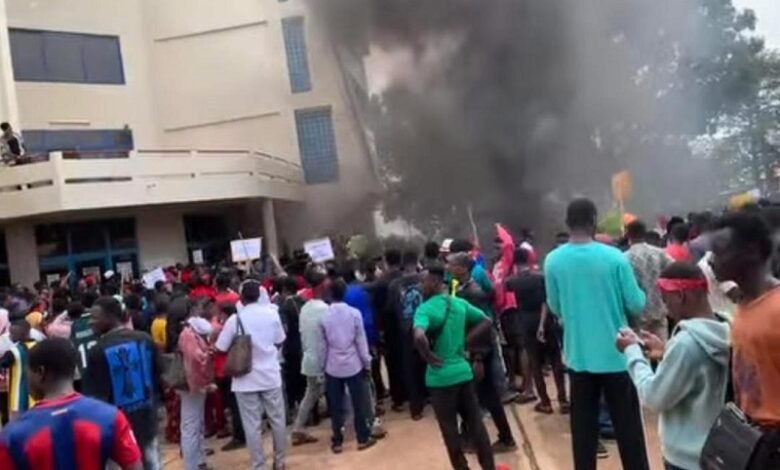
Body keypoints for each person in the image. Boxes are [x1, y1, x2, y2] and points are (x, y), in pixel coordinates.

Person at [544, 198, 650, 470]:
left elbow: (555, 307)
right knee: (628, 428)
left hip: (578, 356)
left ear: (568, 223)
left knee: (583, 428)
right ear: (593, 221)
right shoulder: (614, 257)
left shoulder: (553, 260)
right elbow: (637, 303)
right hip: (618, 355)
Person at [616, 262, 730, 470]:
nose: (666, 308)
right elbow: (700, 369)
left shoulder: (686, 344)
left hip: (687, 459)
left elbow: (653, 398)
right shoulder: (726, 329)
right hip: (721, 452)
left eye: (666, 300)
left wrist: (632, 352)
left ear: (681, 296)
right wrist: (666, 351)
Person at [0, 338, 143, 470]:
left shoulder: (12, 436)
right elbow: (135, 467)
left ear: (40, 372)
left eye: (27, 373)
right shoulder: (111, 417)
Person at [710, 211, 780, 468]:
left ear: (750, 251)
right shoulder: (744, 305)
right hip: (752, 442)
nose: (712, 260)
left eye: (720, 251)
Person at [413, 264, 495, 470]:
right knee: (476, 425)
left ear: (433, 283)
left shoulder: (425, 309)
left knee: (450, 432)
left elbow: (418, 335)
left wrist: (428, 355)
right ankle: (488, 466)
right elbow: (486, 321)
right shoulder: (459, 304)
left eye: (422, 282)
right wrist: (465, 341)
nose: (420, 286)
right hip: (463, 373)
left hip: (440, 379)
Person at [448, 252, 517, 453]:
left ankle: (479, 439)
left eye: (451, 264)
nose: (448, 267)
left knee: (474, 398)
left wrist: (477, 356)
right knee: (487, 397)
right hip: (473, 351)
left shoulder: (472, 293)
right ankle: (504, 437)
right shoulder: (461, 289)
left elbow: (480, 326)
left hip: (477, 352)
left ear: (461, 268)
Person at [83, 296, 162, 470]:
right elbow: (159, 378)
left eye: (95, 317)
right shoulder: (145, 339)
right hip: (147, 421)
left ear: (110, 317)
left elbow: (95, 400)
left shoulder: (97, 351)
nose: (90, 322)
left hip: (116, 432)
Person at [214, 281, 286, 470]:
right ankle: (280, 461)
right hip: (270, 375)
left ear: (242, 298)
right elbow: (279, 341)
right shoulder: (272, 314)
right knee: (277, 420)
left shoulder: (235, 320)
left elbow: (220, 347)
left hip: (244, 379)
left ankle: (258, 465)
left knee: (252, 425)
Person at [506, 248, 569, 415]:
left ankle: (545, 402)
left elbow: (505, 292)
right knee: (555, 359)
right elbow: (545, 301)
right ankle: (563, 400)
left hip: (526, 323)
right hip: (546, 320)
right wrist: (542, 324)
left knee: (535, 362)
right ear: (528, 259)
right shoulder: (541, 277)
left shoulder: (512, 281)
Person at [318, 279, 377, 453]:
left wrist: (323, 367)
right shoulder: (354, 314)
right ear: (344, 293)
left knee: (336, 405)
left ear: (330, 294)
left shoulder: (324, 317)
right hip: (353, 363)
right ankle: (362, 438)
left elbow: (323, 346)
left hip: (332, 365)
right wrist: (366, 363)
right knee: (358, 403)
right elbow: (361, 342)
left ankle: (337, 440)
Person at [387, 248, 428, 419]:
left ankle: (416, 408)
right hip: (426, 327)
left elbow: (389, 309)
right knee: (428, 362)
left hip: (404, 331)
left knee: (410, 369)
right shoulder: (424, 280)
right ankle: (433, 398)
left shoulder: (395, 285)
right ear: (417, 260)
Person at [291, 270, 329, 446]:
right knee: (343, 389)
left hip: (309, 358)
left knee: (311, 394)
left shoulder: (305, 308)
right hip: (323, 359)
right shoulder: (324, 309)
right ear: (321, 286)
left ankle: (298, 429)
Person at [178, 301, 215, 470]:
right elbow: (195, 359)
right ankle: (192, 465)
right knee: (191, 425)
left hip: (194, 383)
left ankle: (199, 461)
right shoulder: (188, 334)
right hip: (191, 383)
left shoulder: (192, 331)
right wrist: (207, 354)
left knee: (196, 422)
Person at [625, 220, 674, 340]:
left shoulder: (625, 258)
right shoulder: (659, 253)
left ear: (628, 235)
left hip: (638, 316)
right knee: (663, 352)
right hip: (659, 309)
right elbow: (675, 268)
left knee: (641, 354)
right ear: (644, 233)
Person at [371, 249, 405, 411]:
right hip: (407, 323)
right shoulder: (406, 278)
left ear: (386, 261)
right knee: (409, 358)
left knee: (392, 362)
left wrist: (380, 329)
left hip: (389, 327)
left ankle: (397, 397)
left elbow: (377, 307)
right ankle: (414, 393)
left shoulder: (380, 282)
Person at [276, 276, 305, 417]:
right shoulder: (303, 301)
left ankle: (299, 409)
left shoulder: (284, 307)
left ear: (284, 289)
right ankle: (313, 412)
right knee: (305, 379)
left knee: (294, 379)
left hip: (292, 347)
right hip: (304, 343)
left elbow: (284, 329)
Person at [0, 320, 36, 421]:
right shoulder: (39, 346)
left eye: (11, 333)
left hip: (18, 399)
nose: (9, 336)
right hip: (37, 397)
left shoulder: (13, 352)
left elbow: (2, 365)